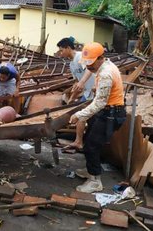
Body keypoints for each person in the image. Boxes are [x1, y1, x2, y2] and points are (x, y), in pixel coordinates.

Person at [69, 42, 126, 193]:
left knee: (92, 146)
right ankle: (90, 171)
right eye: (87, 64)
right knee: (89, 140)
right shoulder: (105, 67)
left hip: (110, 113)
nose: (89, 67)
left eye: (91, 64)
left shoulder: (106, 73)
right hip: (107, 110)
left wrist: (79, 115)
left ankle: (95, 181)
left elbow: (100, 102)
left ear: (101, 58)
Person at [57, 37, 96, 150]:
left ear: (68, 48)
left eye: (61, 50)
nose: (60, 53)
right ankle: (80, 141)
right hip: (88, 93)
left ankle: (79, 142)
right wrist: (72, 98)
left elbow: (90, 69)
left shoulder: (80, 56)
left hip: (96, 91)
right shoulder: (71, 65)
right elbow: (77, 83)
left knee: (82, 115)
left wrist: (83, 82)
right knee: (82, 115)